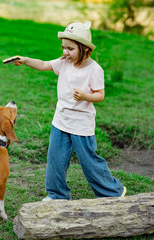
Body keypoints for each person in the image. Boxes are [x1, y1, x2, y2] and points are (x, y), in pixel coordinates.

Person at [12, 21, 126, 201]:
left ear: (85, 49)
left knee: (89, 162)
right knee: (56, 159)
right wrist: (25, 60)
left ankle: (112, 192)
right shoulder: (65, 62)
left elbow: (100, 95)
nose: (65, 52)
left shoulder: (94, 70)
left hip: (81, 124)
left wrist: (85, 96)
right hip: (61, 120)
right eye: (64, 47)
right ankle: (57, 194)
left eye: (70, 48)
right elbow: (43, 64)